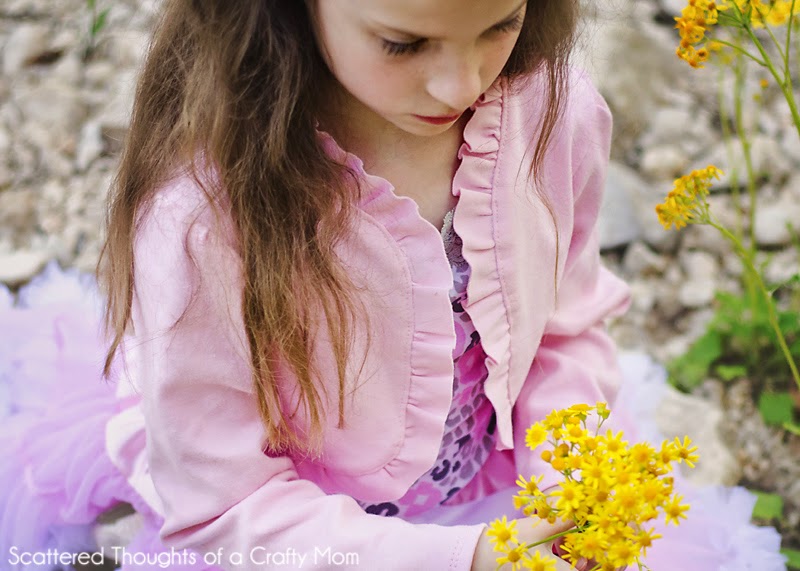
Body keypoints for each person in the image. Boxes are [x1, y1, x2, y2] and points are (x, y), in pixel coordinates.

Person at [0, 1, 788, 570]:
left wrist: (565, 483)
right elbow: (225, 503)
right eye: (404, 44)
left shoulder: (551, 111)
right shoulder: (206, 219)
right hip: (308, 539)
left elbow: (565, 325)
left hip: (496, 488)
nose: (459, 84)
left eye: (499, 26)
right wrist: (464, 558)